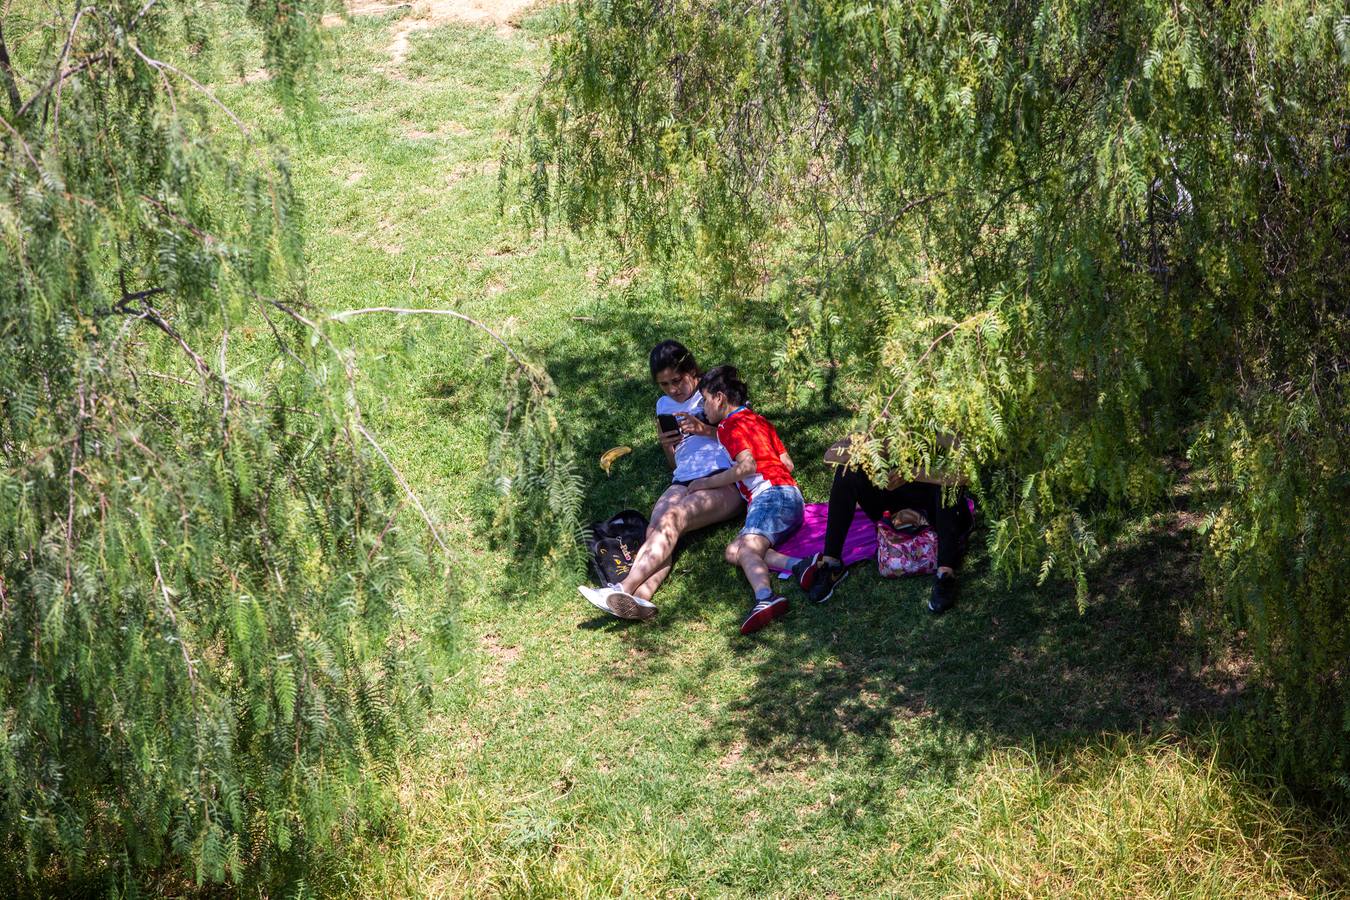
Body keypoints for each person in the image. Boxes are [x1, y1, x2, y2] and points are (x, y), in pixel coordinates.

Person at [579, 341, 745, 620]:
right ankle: (641, 600)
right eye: (664, 384)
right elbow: (675, 463)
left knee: (672, 521)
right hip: (683, 479)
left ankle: (621, 587)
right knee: (655, 526)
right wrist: (667, 444)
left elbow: (747, 436)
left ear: (692, 370)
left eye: (677, 380)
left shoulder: (716, 391)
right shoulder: (663, 405)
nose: (672, 389)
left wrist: (704, 429)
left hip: (722, 480)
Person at [687, 365, 807, 635]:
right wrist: (704, 429)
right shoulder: (758, 420)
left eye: (705, 400)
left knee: (748, 550)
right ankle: (801, 565)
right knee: (734, 552)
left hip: (770, 497)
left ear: (719, 398)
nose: (704, 408)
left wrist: (702, 483)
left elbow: (747, 467)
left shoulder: (730, 426)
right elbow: (787, 464)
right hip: (791, 496)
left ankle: (765, 597)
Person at [795, 433, 973, 613]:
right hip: (894, 508)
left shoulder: (935, 424)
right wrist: (878, 446)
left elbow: (966, 474)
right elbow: (830, 456)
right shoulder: (881, 423)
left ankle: (945, 575)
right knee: (846, 471)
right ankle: (831, 564)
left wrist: (913, 473)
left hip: (934, 508)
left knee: (948, 487)